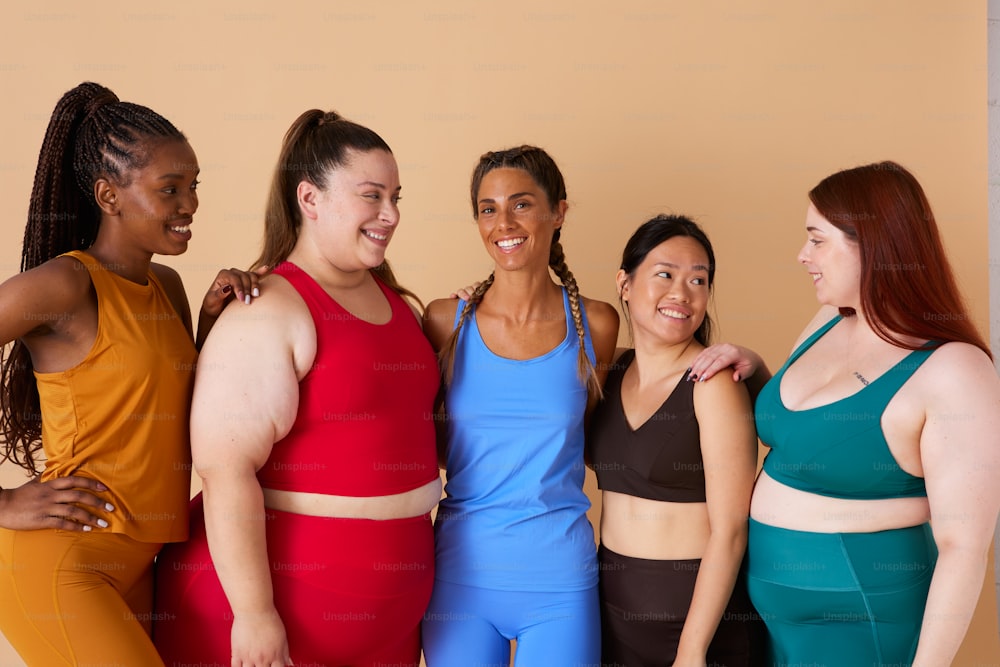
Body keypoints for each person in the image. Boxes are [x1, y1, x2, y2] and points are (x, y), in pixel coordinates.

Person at [154, 109, 441, 667]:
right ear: (310, 199)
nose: (391, 214)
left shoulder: (400, 306)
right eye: (372, 196)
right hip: (273, 612)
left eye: (396, 197)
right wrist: (255, 615)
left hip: (389, 622)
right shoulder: (269, 309)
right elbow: (224, 469)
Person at [690, 161, 1000, 666]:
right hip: (772, 617)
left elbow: (963, 546)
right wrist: (760, 373)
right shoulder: (829, 319)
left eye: (817, 240)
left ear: (873, 244)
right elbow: (818, 436)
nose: (801, 256)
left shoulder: (955, 372)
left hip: (859, 618)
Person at [0, 81, 261, 666]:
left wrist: (213, 321)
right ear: (108, 196)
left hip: (141, 563)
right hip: (64, 563)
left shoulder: (166, 286)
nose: (189, 204)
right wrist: (1, 504)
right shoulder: (66, 286)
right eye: (170, 189)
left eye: (193, 186)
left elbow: (169, 407)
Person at [420, 145, 620, 666]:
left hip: (559, 578)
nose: (503, 222)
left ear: (559, 212)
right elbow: (434, 444)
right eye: (488, 208)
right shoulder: (445, 321)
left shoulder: (595, 324)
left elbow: (583, 437)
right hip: (461, 575)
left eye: (522, 204)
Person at [587, 215, 764, 666]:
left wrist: (692, 648)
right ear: (624, 284)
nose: (682, 294)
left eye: (698, 280)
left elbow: (731, 529)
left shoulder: (712, 382)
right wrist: (475, 302)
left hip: (693, 627)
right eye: (665, 274)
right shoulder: (608, 371)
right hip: (610, 615)